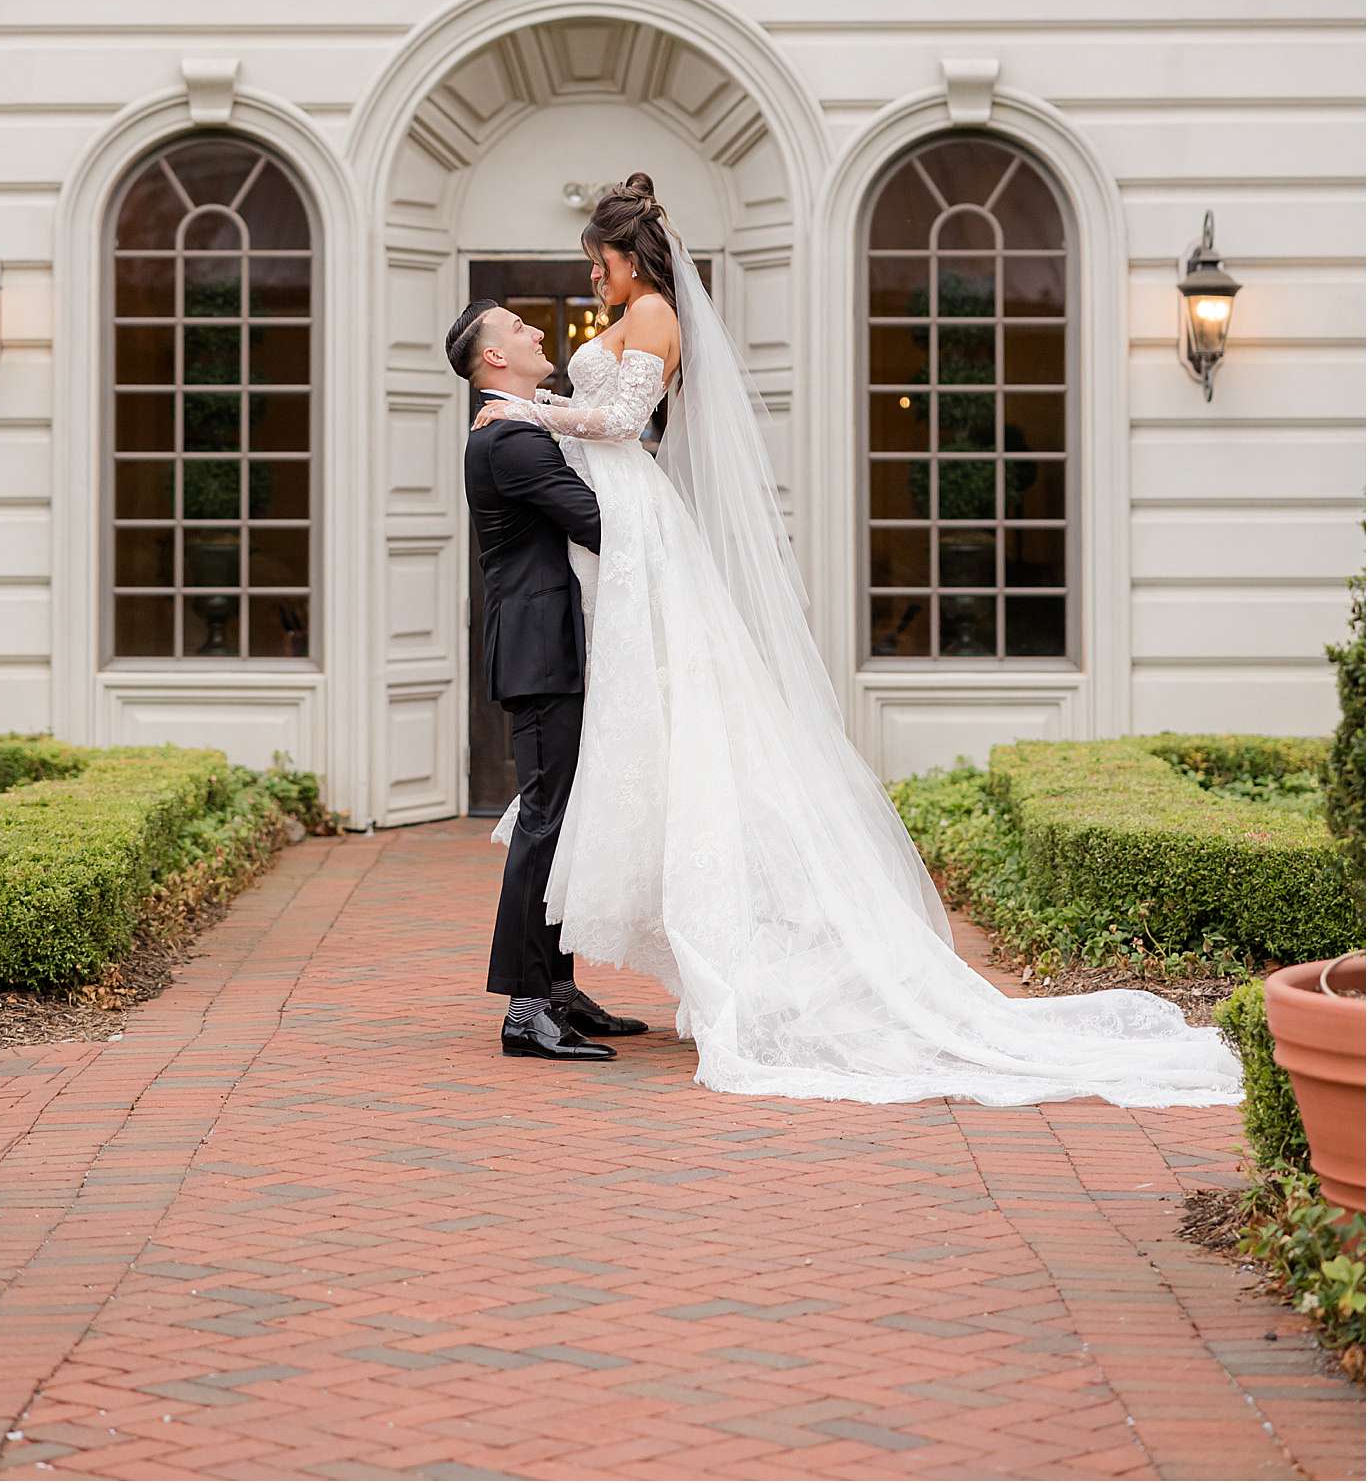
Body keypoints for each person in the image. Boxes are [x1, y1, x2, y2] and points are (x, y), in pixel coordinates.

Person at [472, 175, 1243, 1110]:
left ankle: (564, 984)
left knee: (667, 724)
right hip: (623, 523)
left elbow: (628, 422)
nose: (590, 278)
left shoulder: (657, 315)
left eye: (595, 261)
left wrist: (531, 410)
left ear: (626, 256)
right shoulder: (626, 323)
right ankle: (550, 983)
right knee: (626, 736)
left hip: (636, 518)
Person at [446, 297, 648, 1063]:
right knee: (544, 820)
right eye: (520, 328)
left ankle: (557, 990)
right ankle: (526, 1007)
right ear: (493, 358)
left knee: (560, 818)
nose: (537, 331)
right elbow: (604, 524)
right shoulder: (510, 443)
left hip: (556, 645)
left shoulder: (524, 425)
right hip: (539, 652)